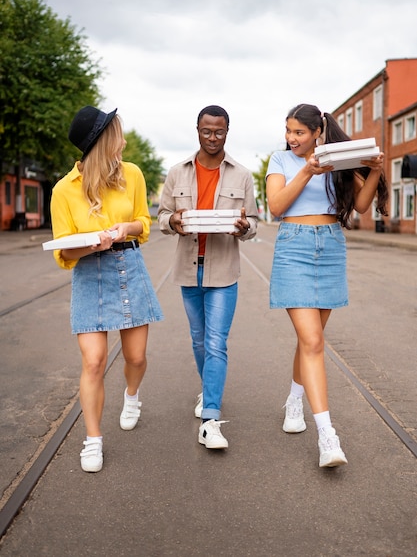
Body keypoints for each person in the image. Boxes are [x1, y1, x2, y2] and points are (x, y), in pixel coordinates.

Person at [266, 103, 388, 468]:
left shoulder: (337, 160)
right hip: (294, 248)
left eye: (299, 133)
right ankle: (327, 437)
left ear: (318, 132)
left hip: (331, 248)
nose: (291, 138)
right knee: (314, 341)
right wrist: (307, 170)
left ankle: (293, 399)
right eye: (288, 131)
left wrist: (375, 171)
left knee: (310, 338)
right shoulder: (281, 160)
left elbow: (363, 206)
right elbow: (276, 205)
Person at [50, 105, 163, 472]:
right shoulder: (62, 191)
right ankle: (93, 440)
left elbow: (144, 222)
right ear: (101, 142)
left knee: (136, 358)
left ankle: (132, 395)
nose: (124, 140)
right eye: (117, 134)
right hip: (89, 274)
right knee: (94, 361)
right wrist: (92, 245)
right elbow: (63, 251)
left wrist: (123, 230)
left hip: (128, 265)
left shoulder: (132, 174)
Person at [158, 105, 258, 449]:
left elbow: (253, 223)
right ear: (197, 130)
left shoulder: (242, 175)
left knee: (217, 343)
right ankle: (209, 389)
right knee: (199, 342)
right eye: (206, 131)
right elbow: (162, 217)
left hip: (224, 272)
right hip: (188, 269)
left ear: (227, 132)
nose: (212, 138)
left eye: (219, 132)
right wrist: (173, 221)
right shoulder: (177, 172)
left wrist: (245, 228)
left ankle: (210, 420)